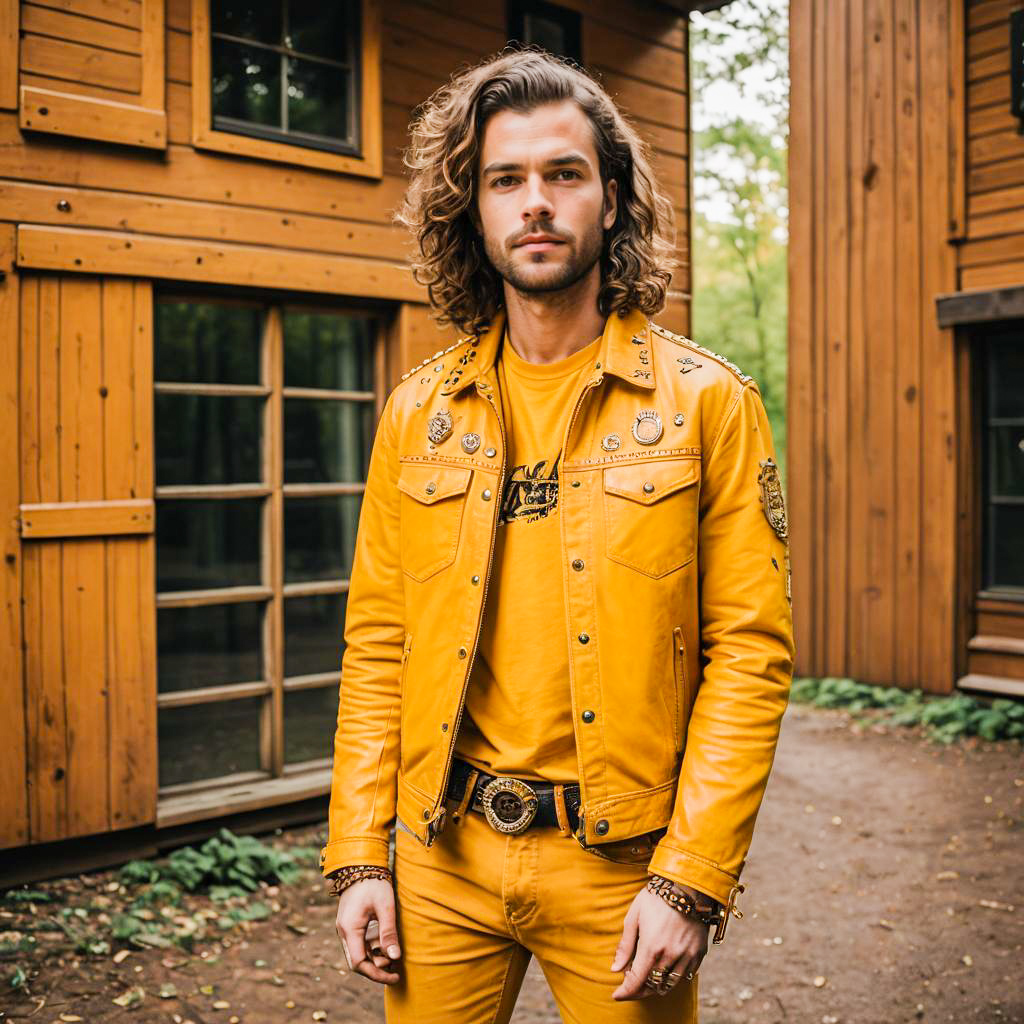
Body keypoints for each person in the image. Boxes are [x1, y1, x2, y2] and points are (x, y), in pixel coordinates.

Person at [320, 47, 795, 1023]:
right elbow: (378, 646)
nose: (534, 202)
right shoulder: (419, 414)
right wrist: (362, 852)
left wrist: (690, 878)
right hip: (440, 861)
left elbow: (747, 656)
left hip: (623, 871)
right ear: (476, 205)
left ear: (610, 200)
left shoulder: (709, 406)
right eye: (506, 179)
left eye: (563, 174)